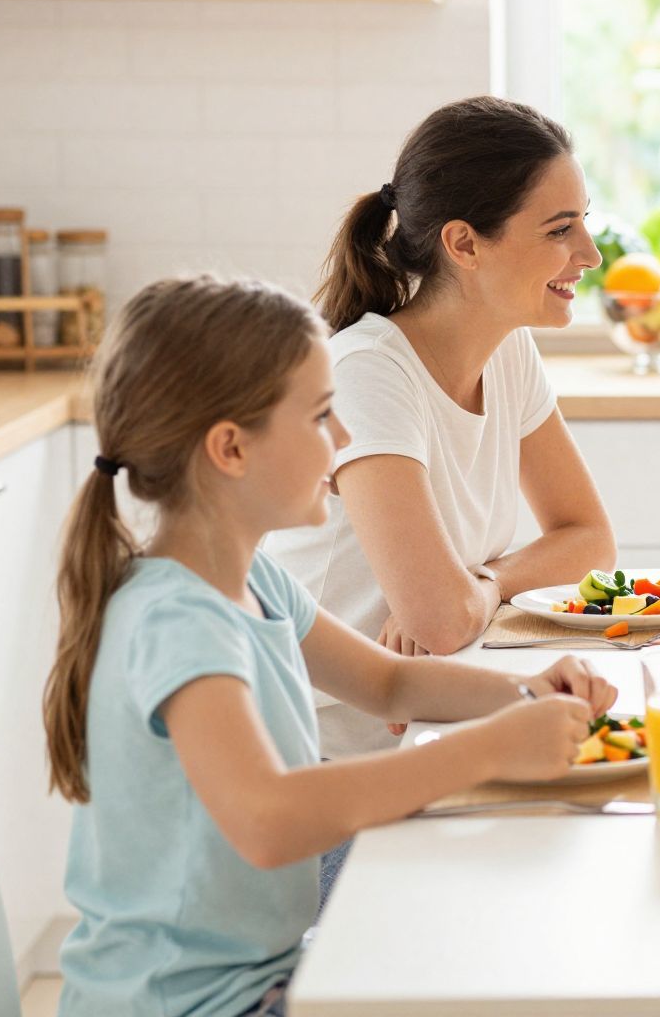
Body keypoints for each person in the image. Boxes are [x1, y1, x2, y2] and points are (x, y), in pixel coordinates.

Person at [45, 276, 612, 1017]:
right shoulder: (177, 620)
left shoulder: (254, 585)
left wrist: (532, 692)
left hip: (255, 981)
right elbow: (268, 818)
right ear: (230, 449)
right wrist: (487, 750)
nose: (345, 439)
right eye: (321, 416)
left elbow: (392, 686)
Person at [264, 95, 616, 758]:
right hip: (332, 765)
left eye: (583, 223)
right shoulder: (369, 373)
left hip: (433, 730)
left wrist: (484, 582)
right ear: (463, 243)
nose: (589, 253)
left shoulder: (508, 351)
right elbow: (441, 621)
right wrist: (465, 597)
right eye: (559, 229)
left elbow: (591, 539)